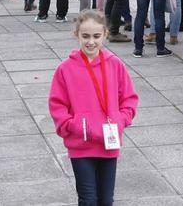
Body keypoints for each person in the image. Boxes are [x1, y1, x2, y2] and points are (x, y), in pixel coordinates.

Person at [48, 10, 139, 206]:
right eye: (85, 36)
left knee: (106, 200)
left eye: (96, 36)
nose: (91, 42)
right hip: (81, 145)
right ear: (77, 35)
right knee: (88, 199)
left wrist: (120, 120)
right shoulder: (65, 69)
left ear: (105, 34)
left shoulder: (115, 65)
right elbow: (57, 104)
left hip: (109, 142)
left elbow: (129, 98)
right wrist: (72, 126)